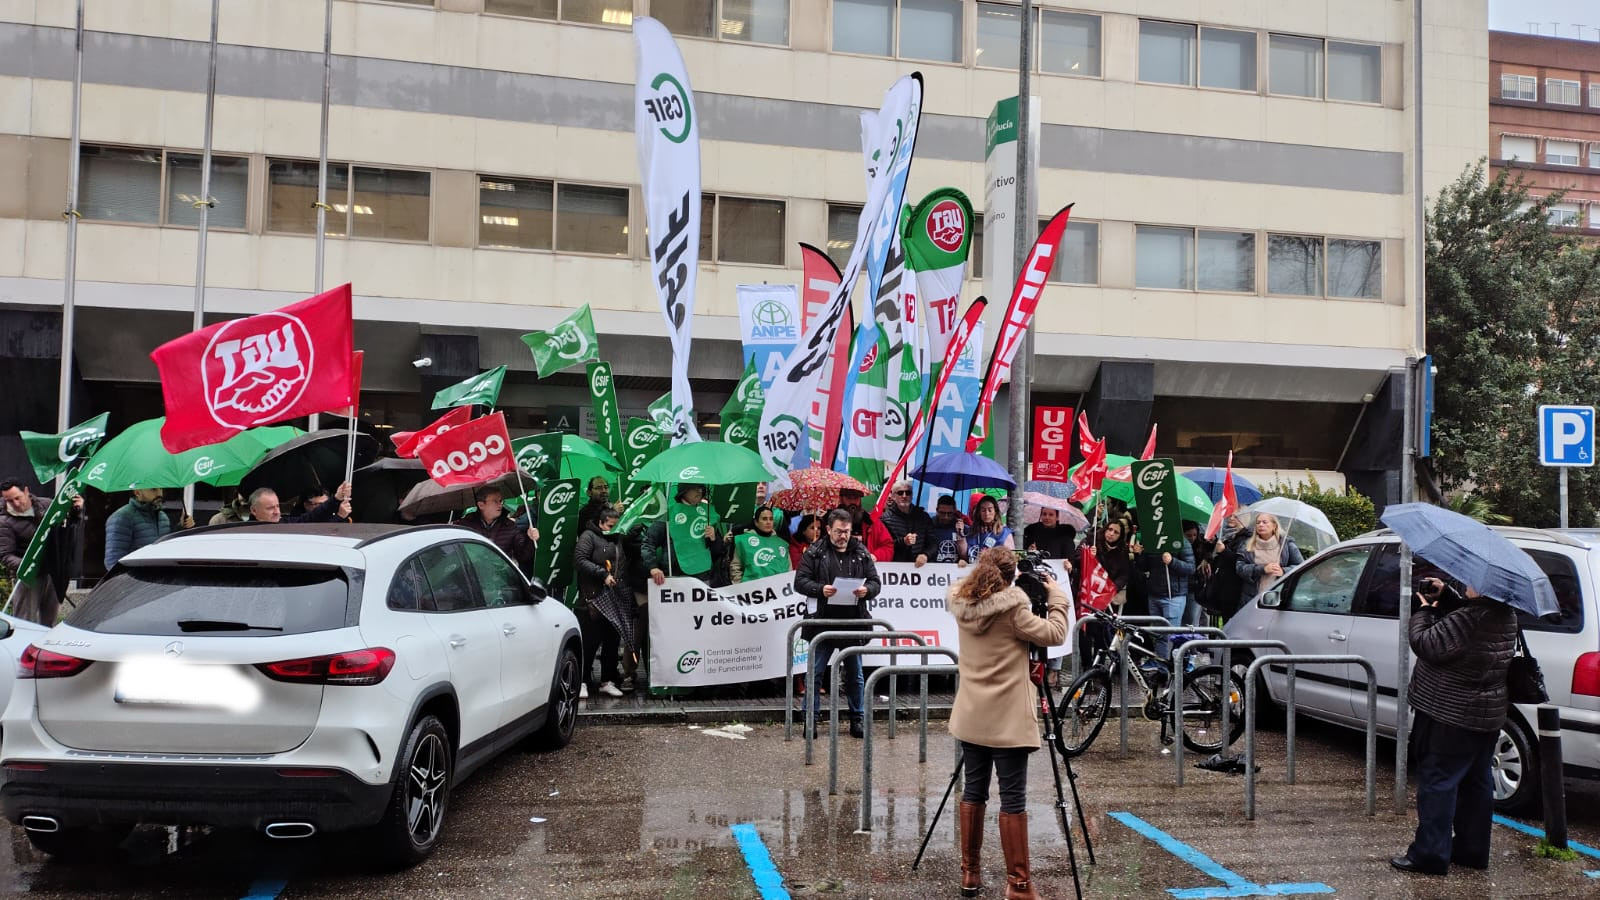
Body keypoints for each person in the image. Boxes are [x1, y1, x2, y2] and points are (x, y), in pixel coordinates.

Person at [948, 546, 1072, 900]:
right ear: (1010, 576)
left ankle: (970, 873)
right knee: (1012, 798)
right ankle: (1018, 885)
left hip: (972, 715)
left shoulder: (962, 603)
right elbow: (1055, 633)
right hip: (1007, 720)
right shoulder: (1014, 610)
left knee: (974, 791)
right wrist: (1056, 596)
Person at [1390, 576, 1517, 876]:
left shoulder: (1470, 618)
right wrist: (1446, 595)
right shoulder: (1505, 614)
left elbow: (1426, 643)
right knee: (1476, 783)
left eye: (1473, 581)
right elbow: (1463, 627)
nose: (1467, 583)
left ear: (1487, 587)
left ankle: (1429, 855)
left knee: (1438, 782)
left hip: (1448, 713)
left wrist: (1423, 610)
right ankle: (1472, 850)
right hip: (1485, 715)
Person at [794, 508, 881, 739]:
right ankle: (810, 719)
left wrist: (866, 590)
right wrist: (819, 589)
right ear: (828, 530)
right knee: (815, 674)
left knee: (855, 675)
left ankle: (857, 718)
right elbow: (799, 582)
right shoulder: (815, 552)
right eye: (839, 532)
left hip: (852, 622)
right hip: (822, 622)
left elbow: (876, 582)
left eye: (847, 531)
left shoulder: (860, 551)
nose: (843, 536)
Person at [1, 479, 82, 625]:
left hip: (53, 571)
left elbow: (67, 527)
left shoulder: (47, 504)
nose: (15, 503)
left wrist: (76, 511)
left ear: (26, 491)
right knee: (24, 622)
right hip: (29, 576)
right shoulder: (4, 521)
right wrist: (29, 564)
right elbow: (5, 555)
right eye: (10, 501)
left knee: (49, 621)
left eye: (17, 498)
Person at [575, 506, 627, 699]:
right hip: (592, 598)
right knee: (589, 643)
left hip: (613, 597)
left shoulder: (618, 538)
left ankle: (607, 680)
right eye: (610, 526)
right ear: (601, 523)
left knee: (612, 641)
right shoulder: (588, 536)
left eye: (616, 526)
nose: (613, 530)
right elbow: (579, 560)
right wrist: (602, 574)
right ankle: (582, 681)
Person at [643, 484, 724, 584]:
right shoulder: (669, 513)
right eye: (694, 487)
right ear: (684, 491)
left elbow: (718, 551)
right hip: (675, 575)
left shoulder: (708, 513)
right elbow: (648, 542)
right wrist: (653, 567)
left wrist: (714, 539)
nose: (699, 491)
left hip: (704, 575)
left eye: (701, 488)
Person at [104, 488, 192, 569]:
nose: (159, 494)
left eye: (160, 489)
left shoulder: (162, 516)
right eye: (153, 489)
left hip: (159, 578)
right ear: (137, 493)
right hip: (135, 580)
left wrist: (181, 526)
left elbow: (165, 547)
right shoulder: (122, 517)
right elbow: (113, 562)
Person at [456, 486, 538, 573]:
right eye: (495, 501)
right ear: (481, 505)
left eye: (500, 501)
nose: (500, 505)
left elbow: (523, 556)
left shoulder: (509, 526)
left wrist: (531, 539)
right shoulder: (465, 525)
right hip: (474, 575)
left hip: (501, 577)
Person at [1139, 534, 1195, 657]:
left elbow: (1190, 568)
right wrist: (1140, 554)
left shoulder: (1182, 542)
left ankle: (1170, 664)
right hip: (1155, 594)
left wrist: (1172, 562)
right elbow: (1143, 566)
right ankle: (1162, 664)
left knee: (1169, 636)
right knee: (1159, 635)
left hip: (1173, 596)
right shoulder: (1152, 540)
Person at [1234, 512, 1303, 608]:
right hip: (1251, 599)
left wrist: (1283, 571)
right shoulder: (1247, 545)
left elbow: (1300, 567)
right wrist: (1262, 569)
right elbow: (1239, 568)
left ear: (1274, 525)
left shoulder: (1287, 545)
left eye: (1264, 522)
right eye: (1258, 522)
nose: (1260, 525)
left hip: (1278, 598)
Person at [879, 479, 934, 566]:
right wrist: (903, 541)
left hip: (921, 567)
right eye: (900, 493)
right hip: (895, 567)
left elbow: (933, 543)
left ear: (912, 496)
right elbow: (884, 545)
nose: (904, 496)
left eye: (908, 493)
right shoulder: (885, 518)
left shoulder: (923, 516)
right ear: (893, 496)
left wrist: (926, 555)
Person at [730, 506, 791, 583]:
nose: (768, 522)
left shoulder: (782, 544)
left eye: (771, 519)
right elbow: (735, 568)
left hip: (778, 587)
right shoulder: (742, 541)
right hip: (752, 588)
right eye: (764, 519)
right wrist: (741, 586)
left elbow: (789, 569)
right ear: (756, 522)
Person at [837, 487, 894, 562]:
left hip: (865, 566)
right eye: (849, 498)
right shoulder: (830, 522)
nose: (853, 502)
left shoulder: (872, 522)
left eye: (856, 498)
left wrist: (875, 556)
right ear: (841, 499)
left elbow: (888, 546)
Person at [249, 482, 351, 523]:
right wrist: (339, 516)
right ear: (254, 510)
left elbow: (310, 519)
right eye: (270, 508)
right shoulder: (244, 533)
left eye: (278, 506)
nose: (277, 512)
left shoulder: (284, 523)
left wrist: (336, 498)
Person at [929, 495, 970, 565]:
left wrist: (961, 534)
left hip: (956, 570)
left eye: (949, 513)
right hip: (932, 569)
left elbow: (968, 555)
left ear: (955, 511)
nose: (946, 517)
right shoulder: (929, 527)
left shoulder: (964, 529)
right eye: (942, 513)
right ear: (937, 510)